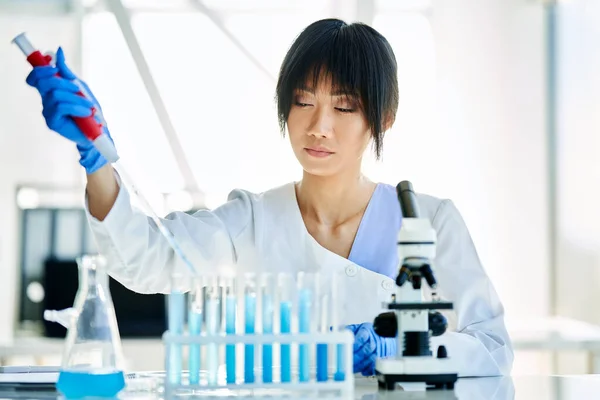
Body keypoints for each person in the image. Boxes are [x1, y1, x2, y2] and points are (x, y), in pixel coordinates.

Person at [25, 18, 513, 377]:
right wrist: (96, 159)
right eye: (303, 101)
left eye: (344, 106)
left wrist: (397, 349)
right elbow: (147, 260)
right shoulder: (253, 219)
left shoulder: (431, 222)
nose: (318, 126)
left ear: (383, 119)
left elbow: (492, 350)